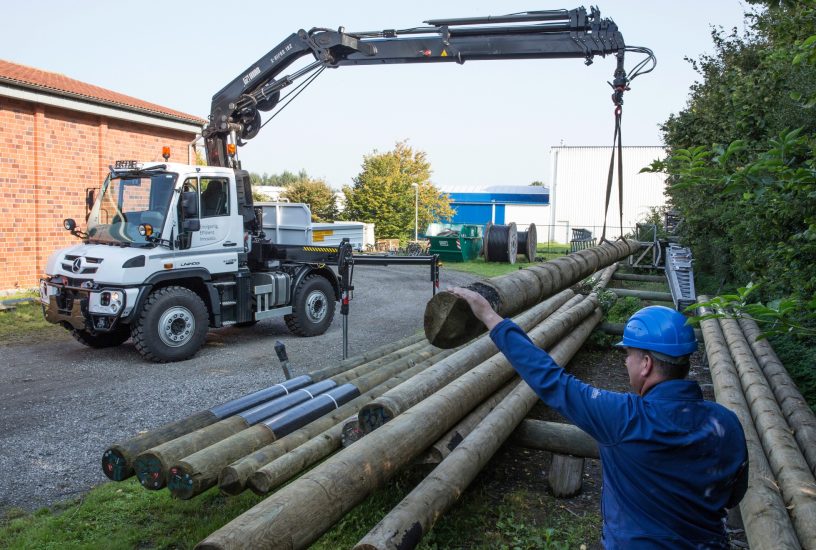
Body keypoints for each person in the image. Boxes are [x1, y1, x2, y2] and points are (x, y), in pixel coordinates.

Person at [448, 287, 749, 549]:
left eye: (628, 354)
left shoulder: (623, 418)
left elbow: (550, 379)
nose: (624, 361)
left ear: (645, 364)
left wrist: (489, 316)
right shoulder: (727, 423)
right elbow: (733, 496)